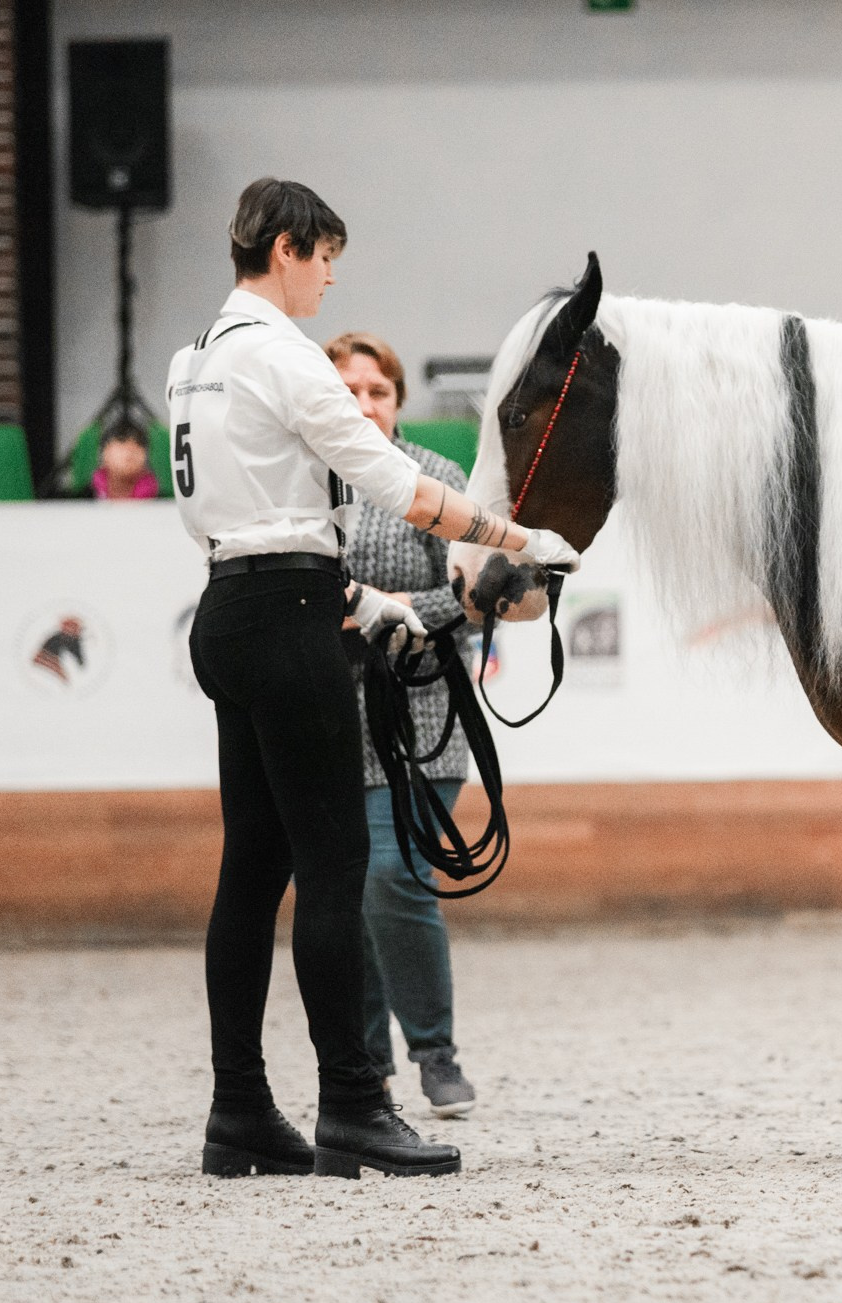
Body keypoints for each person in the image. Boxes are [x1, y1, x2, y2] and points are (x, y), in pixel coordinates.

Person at [170, 176, 579, 1179]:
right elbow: (395, 483)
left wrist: (356, 598)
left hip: (231, 603)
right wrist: (516, 534)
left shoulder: (193, 361)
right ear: (283, 250)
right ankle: (353, 1104)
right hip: (291, 611)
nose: (329, 276)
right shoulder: (284, 356)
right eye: (322, 257)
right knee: (334, 864)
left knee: (252, 871)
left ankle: (238, 1112)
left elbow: (253, 504)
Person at [327, 331, 478, 1120]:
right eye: (346, 389)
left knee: (394, 873)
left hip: (424, 713)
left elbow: (473, 598)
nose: (362, 404)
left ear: (397, 400)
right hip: (324, 718)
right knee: (344, 891)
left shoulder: (437, 479)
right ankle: (365, 1066)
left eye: (376, 390)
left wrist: (383, 613)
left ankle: (434, 1050)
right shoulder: (301, 477)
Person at [91, 417, 159, 499]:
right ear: (105, 452)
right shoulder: (86, 496)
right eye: (122, 443)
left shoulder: (159, 499)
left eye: (139, 445)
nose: (129, 453)